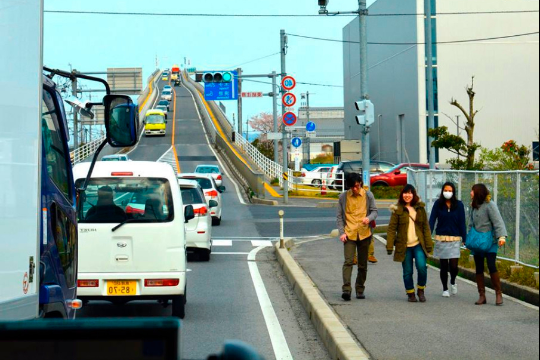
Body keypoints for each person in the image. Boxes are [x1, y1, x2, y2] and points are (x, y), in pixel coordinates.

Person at [387, 184, 433, 303]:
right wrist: (390, 245)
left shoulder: (420, 208)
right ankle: (410, 293)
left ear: (414, 195)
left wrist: (429, 245)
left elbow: (425, 227)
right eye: (405, 193)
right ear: (402, 195)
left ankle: (421, 290)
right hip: (404, 246)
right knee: (407, 271)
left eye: (410, 193)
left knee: (422, 267)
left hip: (418, 244)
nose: (407, 195)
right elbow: (392, 228)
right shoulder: (397, 210)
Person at [337, 173, 378, 301]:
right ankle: (346, 290)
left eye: (356, 186)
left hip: (364, 233)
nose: (355, 189)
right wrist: (342, 232)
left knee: (362, 264)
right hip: (349, 234)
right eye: (352, 187)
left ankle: (360, 289)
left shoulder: (368, 195)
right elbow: (339, 217)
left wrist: (369, 218)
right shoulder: (343, 197)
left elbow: (375, 211)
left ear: (360, 183)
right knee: (348, 262)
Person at [469, 184, 507, 306]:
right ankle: (482, 295)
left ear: (478, 192)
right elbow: (470, 223)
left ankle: (498, 293)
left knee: (491, 265)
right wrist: (468, 237)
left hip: (490, 241)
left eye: (472, 191)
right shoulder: (473, 206)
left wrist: (501, 237)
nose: (470, 193)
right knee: (479, 267)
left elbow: (498, 221)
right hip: (477, 242)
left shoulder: (490, 205)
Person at [429, 182, 467, 298]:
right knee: (444, 265)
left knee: (454, 266)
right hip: (441, 237)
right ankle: (445, 288)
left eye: (450, 191)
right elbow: (432, 220)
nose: (448, 192)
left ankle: (453, 281)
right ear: (442, 191)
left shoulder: (459, 205)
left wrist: (464, 238)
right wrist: (428, 235)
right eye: (446, 190)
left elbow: (462, 222)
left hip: (455, 238)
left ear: (453, 192)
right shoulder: (438, 204)